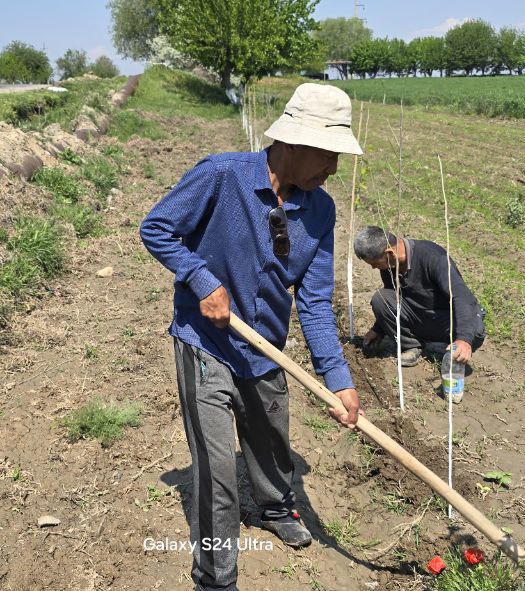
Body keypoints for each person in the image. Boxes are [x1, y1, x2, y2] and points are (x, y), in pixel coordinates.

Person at [140, 83, 363, 591]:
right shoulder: (223, 175)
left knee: (271, 439)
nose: (333, 168)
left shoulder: (321, 211)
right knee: (217, 470)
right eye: (328, 154)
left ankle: (276, 506)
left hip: (265, 346)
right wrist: (202, 280)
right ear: (294, 143)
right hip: (205, 341)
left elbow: (314, 303)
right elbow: (156, 228)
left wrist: (338, 379)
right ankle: (216, 578)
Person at [353, 225, 486, 374]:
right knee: (381, 298)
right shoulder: (390, 265)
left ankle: (455, 346)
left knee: (472, 332)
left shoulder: (434, 257)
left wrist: (464, 339)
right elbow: (394, 299)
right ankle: (411, 345)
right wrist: (378, 330)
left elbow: (462, 297)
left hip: (449, 321)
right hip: (422, 316)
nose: (374, 268)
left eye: (375, 263)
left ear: (390, 253)